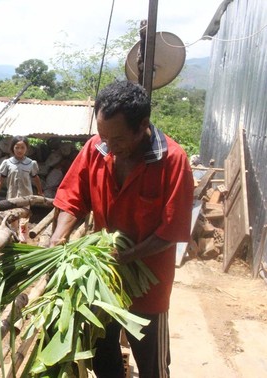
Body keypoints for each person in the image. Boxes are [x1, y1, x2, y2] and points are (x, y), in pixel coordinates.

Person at [49, 80, 194, 377]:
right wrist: (58, 236)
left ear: (142, 126)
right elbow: (72, 197)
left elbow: (171, 230)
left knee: (151, 363)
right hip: (102, 281)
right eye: (103, 136)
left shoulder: (172, 161)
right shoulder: (97, 148)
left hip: (148, 285)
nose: (109, 147)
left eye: (117, 140)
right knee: (103, 355)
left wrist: (126, 256)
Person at [0, 135, 43, 243]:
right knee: (12, 220)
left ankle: (22, 242)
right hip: (12, 198)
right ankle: (13, 240)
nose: (19, 150)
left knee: (24, 221)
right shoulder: (7, 163)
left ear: (26, 148)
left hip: (26, 197)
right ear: (12, 148)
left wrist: (40, 192)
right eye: (17, 147)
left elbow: (36, 178)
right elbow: (1, 180)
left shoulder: (31, 163)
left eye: (22, 147)